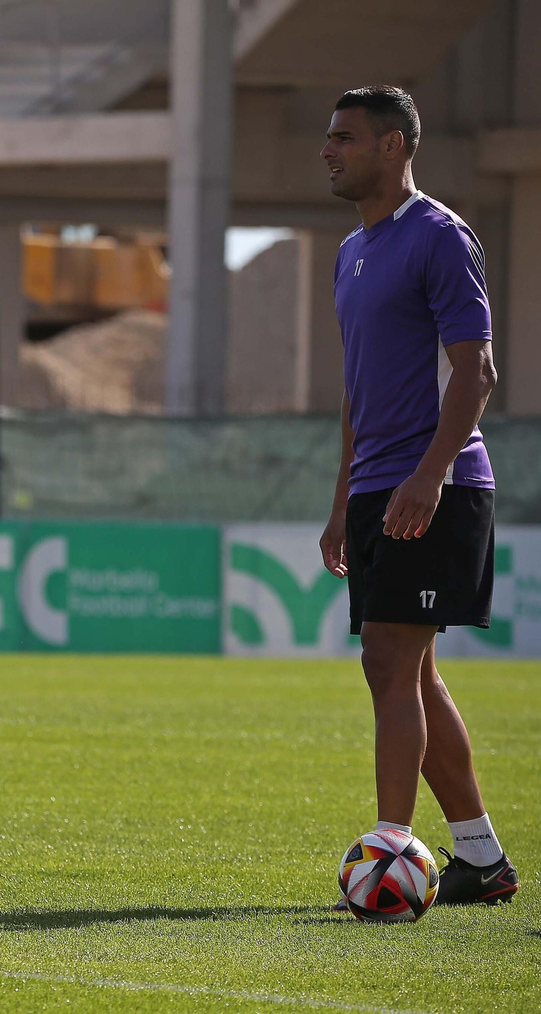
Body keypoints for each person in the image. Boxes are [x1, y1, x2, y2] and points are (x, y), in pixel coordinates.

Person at [319, 85, 518, 905]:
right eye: (328, 139)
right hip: (376, 490)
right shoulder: (349, 250)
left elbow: (477, 371)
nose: (327, 151)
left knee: (388, 659)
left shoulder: (440, 236)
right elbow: (356, 394)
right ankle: (480, 859)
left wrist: (428, 474)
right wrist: (342, 502)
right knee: (414, 673)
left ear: (395, 145)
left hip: (435, 484)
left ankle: (392, 847)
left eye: (345, 138)